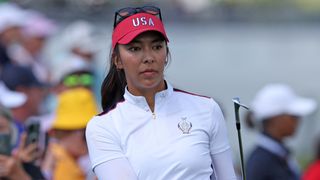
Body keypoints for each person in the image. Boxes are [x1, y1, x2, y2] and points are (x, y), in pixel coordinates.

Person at [85, 5, 237, 180]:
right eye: (135, 48)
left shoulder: (207, 109)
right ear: (117, 60)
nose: (149, 57)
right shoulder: (103, 127)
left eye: (157, 47)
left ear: (166, 54)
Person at [245, 84, 317, 180]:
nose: (299, 120)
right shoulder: (261, 162)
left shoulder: (276, 154)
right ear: (276, 118)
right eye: (294, 116)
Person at [42, 88, 98, 180]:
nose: (58, 140)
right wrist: (46, 172)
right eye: (57, 133)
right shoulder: (61, 162)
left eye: (62, 133)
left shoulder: (100, 166)